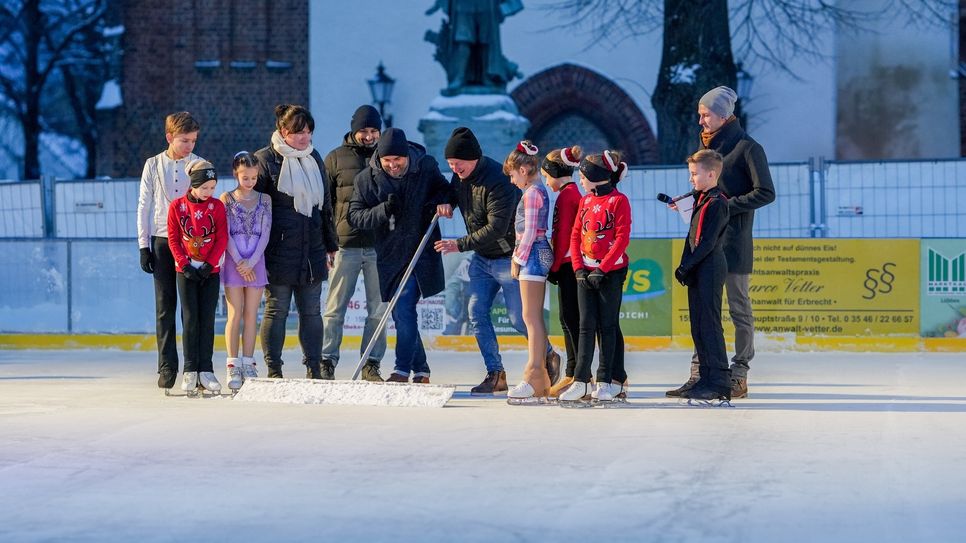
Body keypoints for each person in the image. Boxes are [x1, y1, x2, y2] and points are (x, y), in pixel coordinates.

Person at [666, 86, 776, 399]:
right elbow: (709, 191)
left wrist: (726, 205)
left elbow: (765, 192)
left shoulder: (747, 148)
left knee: (739, 309)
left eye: (705, 114)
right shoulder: (705, 149)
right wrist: (688, 201)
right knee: (704, 310)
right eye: (700, 114)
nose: (700, 120)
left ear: (723, 115)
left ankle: (739, 373)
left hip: (734, 243)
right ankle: (700, 373)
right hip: (706, 243)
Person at [433, 126, 560, 396]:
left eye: (458, 163)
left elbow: (497, 227)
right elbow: (452, 193)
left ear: (473, 158)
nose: (454, 169)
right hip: (482, 258)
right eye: (450, 164)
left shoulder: (498, 180)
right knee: (476, 312)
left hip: (508, 257)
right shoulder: (460, 177)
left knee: (518, 319)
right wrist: (445, 201)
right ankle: (496, 374)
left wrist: (459, 244)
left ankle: (547, 355)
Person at [347, 128, 453, 383]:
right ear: (380, 159)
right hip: (390, 256)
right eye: (388, 161)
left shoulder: (425, 167)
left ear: (407, 156)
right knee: (400, 314)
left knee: (404, 309)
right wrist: (383, 210)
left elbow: (446, 191)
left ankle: (401, 370)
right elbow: (354, 216)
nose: (393, 165)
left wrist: (443, 203)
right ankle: (422, 370)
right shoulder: (366, 180)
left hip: (421, 252)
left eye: (398, 160)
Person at [254, 104, 338, 380]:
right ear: (283, 131)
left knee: (312, 311)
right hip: (277, 248)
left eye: (308, 132)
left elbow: (325, 204)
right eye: (298, 132)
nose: (305, 138)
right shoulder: (265, 160)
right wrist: (256, 250)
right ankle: (274, 368)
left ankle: (314, 367)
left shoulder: (313, 157)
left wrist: (330, 243)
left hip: (311, 246)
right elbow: (256, 209)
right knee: (277, 308)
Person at [137, 111, 203, 392]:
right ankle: (166, 365)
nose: (189, 146)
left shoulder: (198, 165)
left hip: (192, 242)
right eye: (184, 141)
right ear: (169, 137)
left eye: (193, 141)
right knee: (165, 307)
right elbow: (144, 205)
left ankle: (194, 366)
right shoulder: (153, 165)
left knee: (191, 308)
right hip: (163, 240)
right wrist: (143, 245)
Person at [558, 150, 631, 406]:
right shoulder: (586, 201)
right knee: (585, 325)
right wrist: (579, 268)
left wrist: (604, 269)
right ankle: (580, 381)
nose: (579, 179)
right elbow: (576, 235)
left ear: (595, 176)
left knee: (607, 326)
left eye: (582, 175)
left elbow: (622, 238)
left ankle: (605, 381)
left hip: (611, 273)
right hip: (585, 271)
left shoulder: (618, 201)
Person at [321, 105, 387, 382]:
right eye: (364, 131)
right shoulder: (335, 158)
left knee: (378, 310)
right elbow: (325, 205)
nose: (369, 136)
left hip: (379, 246)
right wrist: (327, 242)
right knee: (335, 308)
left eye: (373, 131)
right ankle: (326, 360)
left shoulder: (387, 158)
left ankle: (371, 363)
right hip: (344, 245)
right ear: (354, 130)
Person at [166, 159, 228, 394]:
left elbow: (222, 237)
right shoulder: (177, 207)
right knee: (190, 319)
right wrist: (184, 264)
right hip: (185, 272)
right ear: (193, 184)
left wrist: (209, 264)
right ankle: (190, 369)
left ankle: (206, 369)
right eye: (205, 188)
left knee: (207, 319)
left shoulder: (217, 207)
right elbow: (173, 238)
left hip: (209, 272)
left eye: (212, 188)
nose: (209, 192)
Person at [674, 150, 732, 402]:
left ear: (711, 174)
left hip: (709, 267)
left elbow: (707, 242)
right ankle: (704, 378)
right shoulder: (702, 199)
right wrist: (686, 264)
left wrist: (687, 265)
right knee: (698, 325)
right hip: (698, 267)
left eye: (695, 174)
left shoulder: (718, 202)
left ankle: (719, 381)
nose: (691, 179)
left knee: (709, 325)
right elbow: (692, 237)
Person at [505, 140, 555, 403]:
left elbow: (530, 233)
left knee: (531, 317)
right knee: (532, 316)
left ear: (523, 169)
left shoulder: (533, 193)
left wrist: (517, 259)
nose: (512, 181)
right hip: (535, 254)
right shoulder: (535, 191)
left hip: (533, 255)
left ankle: (535, 374)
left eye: (512, 175)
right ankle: (538, 375)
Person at [220, 151, 272, 391]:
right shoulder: (226, 199)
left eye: (253, 177)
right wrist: (240, 261)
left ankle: (249, 362)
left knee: (252, 314)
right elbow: (226, 233)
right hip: (233, 262)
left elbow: (265, 233)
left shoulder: (265, 200)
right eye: (244, 177)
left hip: (256, 262)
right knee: (235, 313)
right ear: (235, 174)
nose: (249, 182)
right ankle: (233, 364)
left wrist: (251, 262)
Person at [541, 146, 583, 399]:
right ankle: (574, 371)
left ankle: (576, 373)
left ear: (557, 172)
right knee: (568, 321)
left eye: (547, 175)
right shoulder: (569, 194)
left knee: (571, 320)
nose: (546, 180)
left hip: (569, 265)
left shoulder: (568, 197)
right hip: (567, 265)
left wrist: (555, 267)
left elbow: (563, 235)